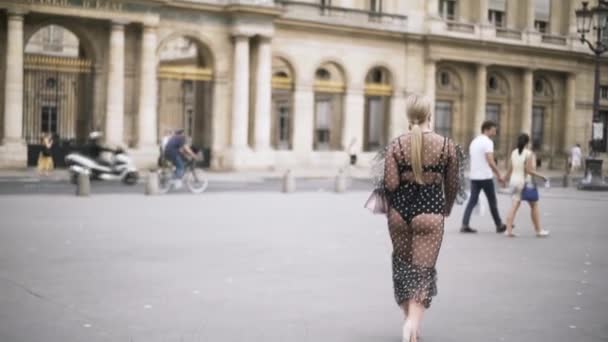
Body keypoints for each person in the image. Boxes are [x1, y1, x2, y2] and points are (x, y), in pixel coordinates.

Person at [383, 94, 458, 342]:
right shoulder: (446, 145)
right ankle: (411, 326)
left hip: (399, 214)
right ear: (430, 115)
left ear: (408, 116)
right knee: (422, 271)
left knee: (403, 269)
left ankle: (410, 326)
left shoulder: (396, 145)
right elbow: (452, 185)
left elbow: (391, 184)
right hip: (430, 212)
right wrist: (445, 208)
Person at [460, 121, 507, 234]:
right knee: (492, 201)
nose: (495, 132)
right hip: (485, 177)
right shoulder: (488, 142)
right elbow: (490, 161)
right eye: (493, 129)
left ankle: (465, 224)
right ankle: (499, 225)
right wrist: (499, 175)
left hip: (474, 176)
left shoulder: (474, 142)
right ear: (486, 129)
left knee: (472, 201)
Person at [504, 133, 550, 237]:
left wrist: (504, 178)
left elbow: (511, 168)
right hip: (525, 182)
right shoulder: (529, 154)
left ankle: (508, 230)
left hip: (514, 181)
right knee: (534, 205)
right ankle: (538, 230)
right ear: (527, 143)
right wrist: (542, 176)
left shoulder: (514, 152)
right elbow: (529, 171)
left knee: (514, 206)